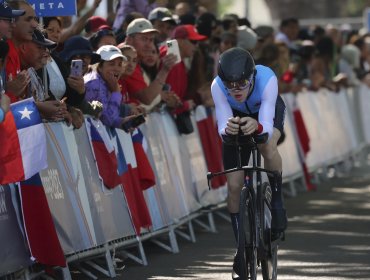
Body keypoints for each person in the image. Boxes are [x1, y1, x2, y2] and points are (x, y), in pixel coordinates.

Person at [211, 47, 287, 276]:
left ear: (252, 77)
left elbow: (265, 118)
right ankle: (240, 248)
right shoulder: (217, 86)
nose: (236, 90)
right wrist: (228, 129)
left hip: (266, 113)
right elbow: (222, 125)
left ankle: (277, 201)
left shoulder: (267, 79)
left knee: (267, 145)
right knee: (234, 186)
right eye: (230, 84)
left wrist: (260, 127)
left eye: (242, 83)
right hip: (235, 119)